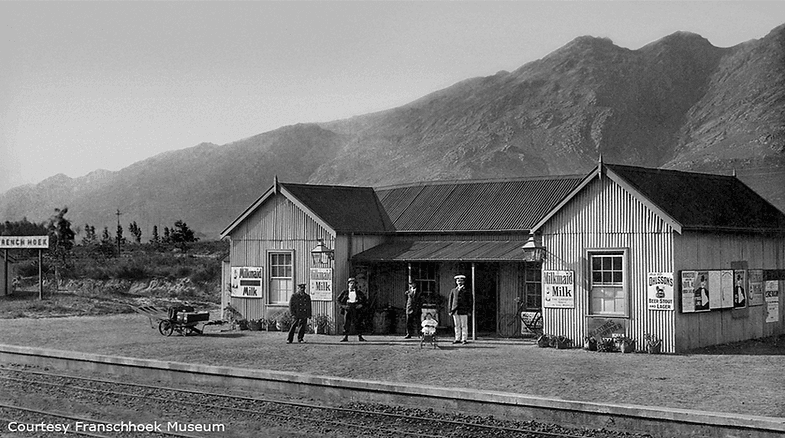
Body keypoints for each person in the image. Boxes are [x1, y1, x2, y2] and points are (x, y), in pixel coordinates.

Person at [337, 277, 367, 342]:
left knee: (358, 322)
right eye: (350, 283)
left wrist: (361, 305)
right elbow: (338, 300)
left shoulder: (358, 292)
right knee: (346, 323)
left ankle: (360, 337)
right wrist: (343, 306)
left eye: (353, 283)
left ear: (355, 284)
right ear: (348, 284)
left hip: (356, 308)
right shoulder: (345, 292)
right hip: (348, 308)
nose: (352, 285)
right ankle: (345, 337)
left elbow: (365, 300)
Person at [448, 274, 472, 344]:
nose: (459, 282)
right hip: (455, 310)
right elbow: (450, 301)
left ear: (463, 282)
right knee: (457, 325)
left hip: (463, 310)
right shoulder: (453, 290)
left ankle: (464, 339)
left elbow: (470, 301)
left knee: (464, 325)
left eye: (461, 281)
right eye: (458, 281)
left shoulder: (466, 290)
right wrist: (450, 310)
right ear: (456, 282)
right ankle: (457, 338)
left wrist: (469, 310)